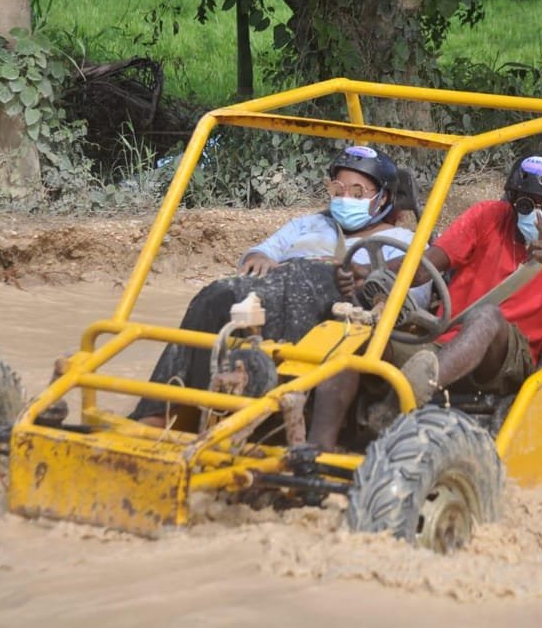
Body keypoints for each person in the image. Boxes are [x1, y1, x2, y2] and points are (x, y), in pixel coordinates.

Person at [307, 154, 542, 451]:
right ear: (512, 201)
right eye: (525, 205)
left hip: (507, 360)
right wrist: (370, 273)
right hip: (444, 343)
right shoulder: (488, 216)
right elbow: (424, 268)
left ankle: (406, 401)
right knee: (356, 335)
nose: (536, 215)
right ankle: (315, 449)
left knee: (487, 316)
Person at [130, 145, 431, 427]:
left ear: (384, 198)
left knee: (312, 282)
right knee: (213, 297)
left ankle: (269, 411)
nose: (344, 199)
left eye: (357, 192)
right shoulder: (307, 225)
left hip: (340, 305)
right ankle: (160, 412)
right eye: (337, 190)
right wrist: (258, 258)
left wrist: (364, 279)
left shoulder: (403, 241)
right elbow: (263, 252)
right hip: (278, 289)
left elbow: (411, 298)